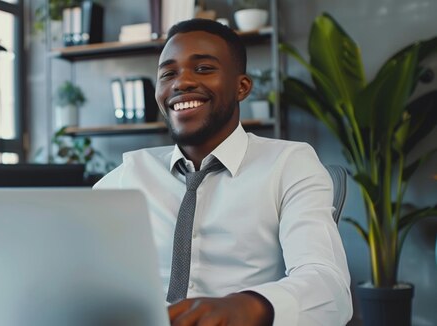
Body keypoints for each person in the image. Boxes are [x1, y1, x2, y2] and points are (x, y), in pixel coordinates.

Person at [93, 18, 352, 326]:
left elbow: (328, 285)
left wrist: (248, 307)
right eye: (168, 73)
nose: (181, 82)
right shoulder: (130, 173)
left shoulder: (289, 163)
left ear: (241, 87)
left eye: (203, 68)